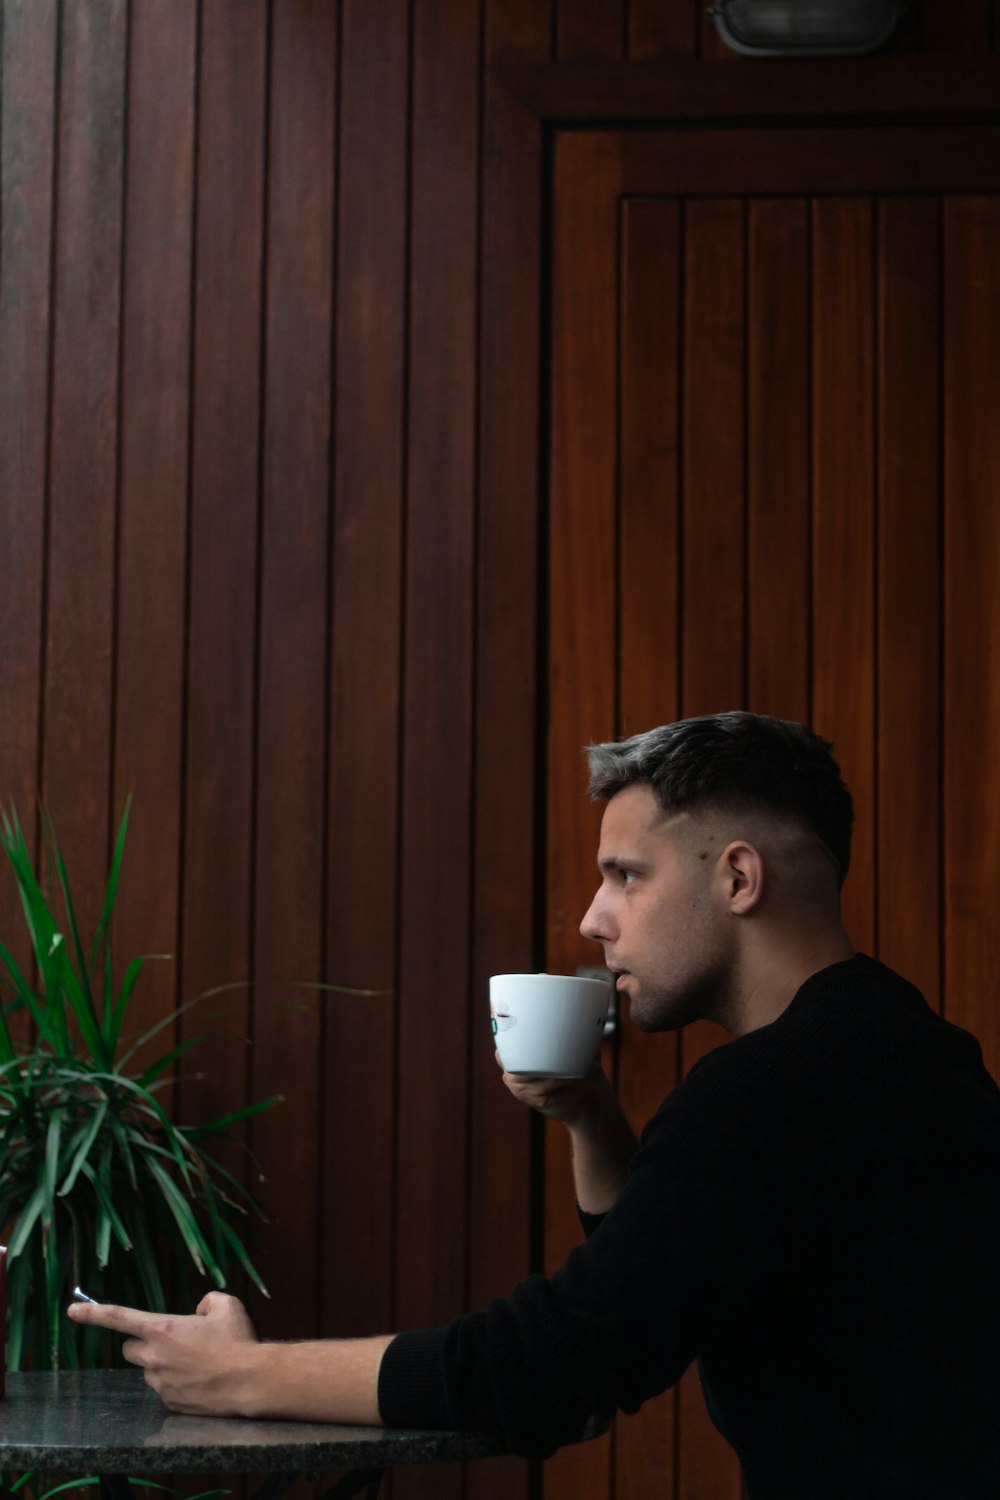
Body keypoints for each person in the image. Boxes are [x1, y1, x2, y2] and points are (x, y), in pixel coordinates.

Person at [70, 712, 1000, 1499]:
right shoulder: (904, 1046)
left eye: (627, 875)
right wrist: (591, 1118)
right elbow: (655, 1277)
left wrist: (239, 1375)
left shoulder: (771, 1088)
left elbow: (560, 1365)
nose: (595, 919)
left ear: (739, 879)